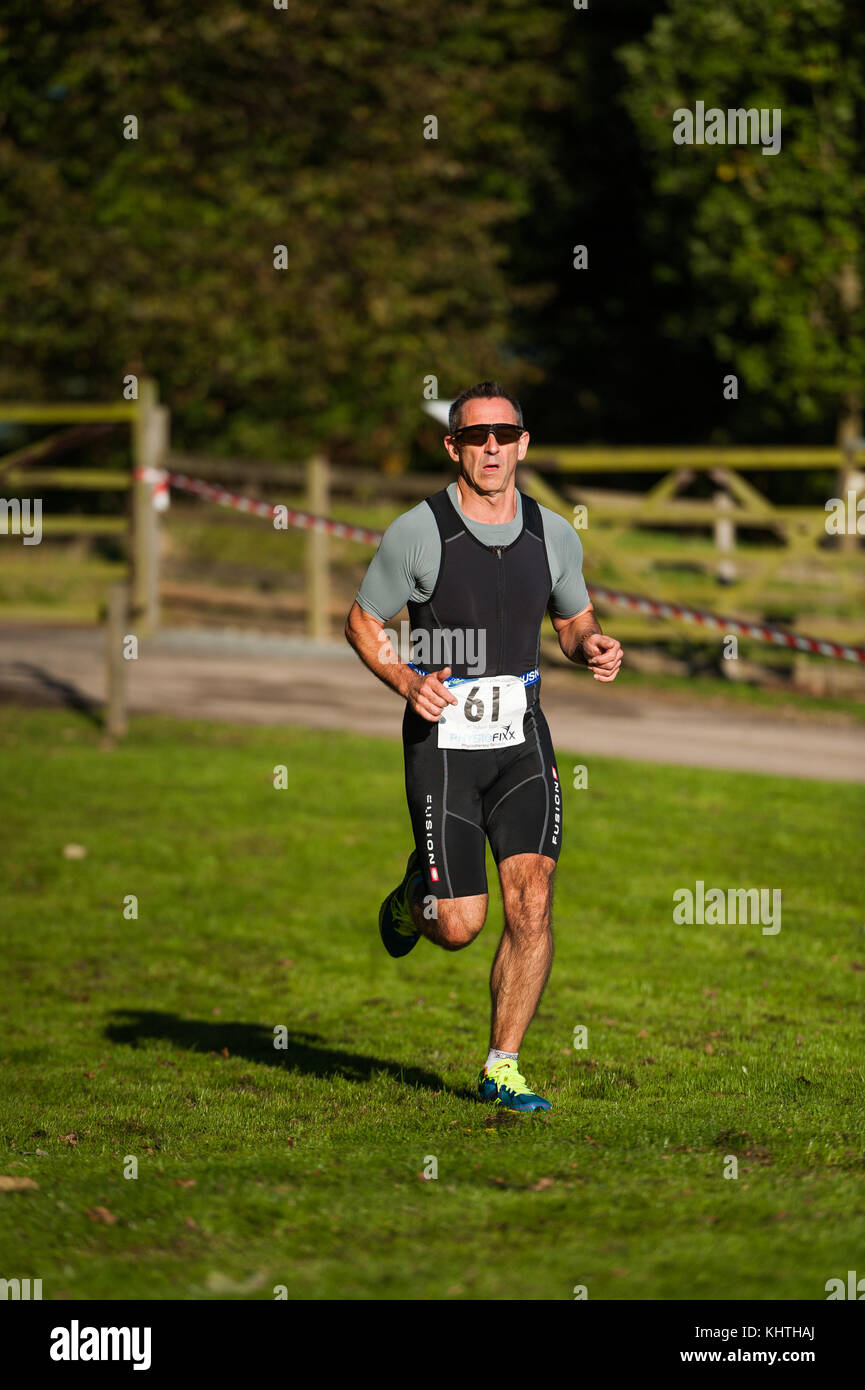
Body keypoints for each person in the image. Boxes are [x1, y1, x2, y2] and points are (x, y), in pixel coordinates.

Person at [345, 381, 623, 1111]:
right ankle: (414, 899)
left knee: (530, 904)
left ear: (523, 443)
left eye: (504, 434)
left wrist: (590, 642)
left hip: (522, 740)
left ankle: (502, 1066)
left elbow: (571, 620)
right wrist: (406, 681)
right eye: (476, 436)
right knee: (462, 925)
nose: (491, 446)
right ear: (454, 446)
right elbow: (362, 622)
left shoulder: (552, 533)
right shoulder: (418, 531)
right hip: (443, 746)